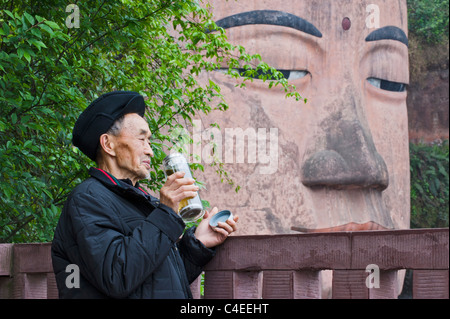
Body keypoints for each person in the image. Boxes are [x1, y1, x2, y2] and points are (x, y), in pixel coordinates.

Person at [51, 91, 238, 299]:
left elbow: (158, 281)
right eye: (142, 139)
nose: (150, 151)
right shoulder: (87, 199)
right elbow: (118, 275)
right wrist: (166, 213)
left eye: (149, 141)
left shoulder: (139, 201)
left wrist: (198, 243)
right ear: (108, 144)